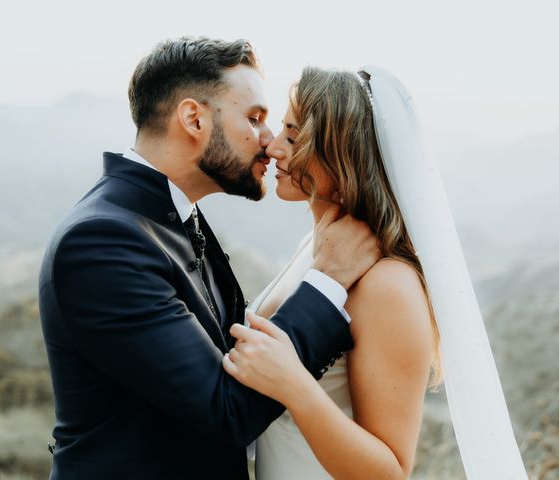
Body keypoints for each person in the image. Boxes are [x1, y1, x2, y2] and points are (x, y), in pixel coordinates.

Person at [38, 38, 381, 480]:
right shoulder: (101, 242)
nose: (268, 141)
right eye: (255, 118)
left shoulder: (174, 217)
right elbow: (227, 410)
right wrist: (328, 281)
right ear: (193, 118)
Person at [223, 66, 528, 479]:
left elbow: (390, 471)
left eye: (294, 137)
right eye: (281, 129)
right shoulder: (318, 252)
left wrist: (293, 384)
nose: (273, 148)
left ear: (344, 155)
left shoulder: (387, 284)